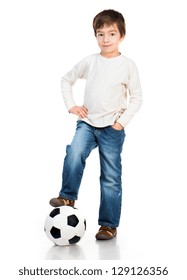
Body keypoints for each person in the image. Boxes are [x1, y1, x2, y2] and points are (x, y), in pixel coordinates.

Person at [49, 9, 142, 240]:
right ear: (95, 36)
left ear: (122, 35)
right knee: (74, 152)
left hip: (112, 127)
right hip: (88, 123)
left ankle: (108, 225)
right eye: (100, 34)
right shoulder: (91, 61)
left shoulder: (127, 65)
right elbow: (66, 79)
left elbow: (137, 97)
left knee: (110, 176)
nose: (106, 39)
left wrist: (121, 123)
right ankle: (68, 196)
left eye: (111, 34)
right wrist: (72, 105)